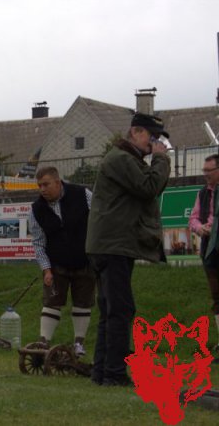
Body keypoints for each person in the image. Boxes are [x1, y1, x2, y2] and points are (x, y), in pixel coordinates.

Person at [86, 112, 171, 386]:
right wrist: (161, 158)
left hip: (109, 244)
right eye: (151, 136)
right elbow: (149, 187)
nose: (154, 143)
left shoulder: (123, 158)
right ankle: (114, 374)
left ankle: (101, 373)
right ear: (135, 132)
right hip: (113, 246)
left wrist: (155, 159)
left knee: (111, 311)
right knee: (121, 310)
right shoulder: (122, 159)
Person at [29, 166, 95, 357]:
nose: (42, 189)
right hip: (56, 264)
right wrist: (46, 269)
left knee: (83, 303)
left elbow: (99, 218)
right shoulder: (36, 210)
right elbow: (38, 243)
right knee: (51, 302)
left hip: (85, 261)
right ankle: (43, 342)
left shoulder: (83, 195)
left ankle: (79, 344)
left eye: (46, 184)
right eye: (39, 185)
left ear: (58, 182)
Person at [190, 154, 219, 354]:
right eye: (204, 171)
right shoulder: (202, 193)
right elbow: (192, 218)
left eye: (209, 170)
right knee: (217, 296)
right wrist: (201, 229)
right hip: (210, 249)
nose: (205, 174)